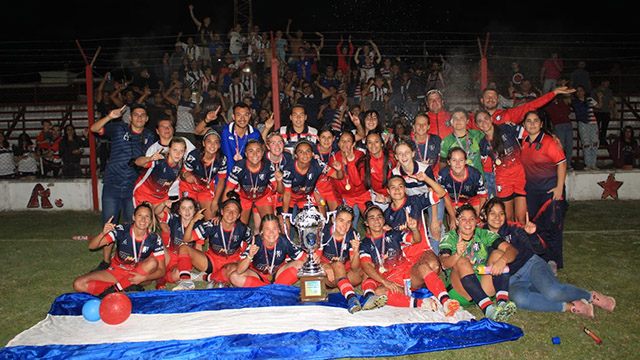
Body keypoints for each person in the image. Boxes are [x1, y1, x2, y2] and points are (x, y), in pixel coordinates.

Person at [482, 198, 615, 317]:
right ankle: (572, 306)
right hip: (511, 279)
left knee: (553, 292)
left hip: (530, 265)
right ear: (485, 215)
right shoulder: (480, 235)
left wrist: (532, 235)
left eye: (501, 213)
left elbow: (540, 250)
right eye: (493, 213)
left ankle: (590, 296)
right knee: (520, 300)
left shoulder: (513, 228)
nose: (497, 217)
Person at [90, 104, 157, 271]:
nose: (139, 118)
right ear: (130, 117)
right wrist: (109, 117)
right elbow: (94, 128)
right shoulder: (118, 128)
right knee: (109, 223)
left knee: (132, 224)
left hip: (132, 187)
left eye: (143, 115)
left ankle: (131, 259)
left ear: (147, 119)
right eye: (136, 115)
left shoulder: (149, 136)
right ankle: (106, 261)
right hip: (112, 184)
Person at [359, 204, 459, 315]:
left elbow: (416, 239)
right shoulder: (365, 244)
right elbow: (366, 266)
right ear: (366, 223)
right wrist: (385, 282)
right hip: (390, 282)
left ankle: (446, 302)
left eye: (379, 217)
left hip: (408, 277)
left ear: (384, 220)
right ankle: (422, 303)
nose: (376, 221)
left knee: (423, 267)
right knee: (379, 292)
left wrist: (415, 229)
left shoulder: (393, 234)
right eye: (372, 218)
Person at [439, 204, 518, 321]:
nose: (468, 223)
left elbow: (512, 250)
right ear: (456, 222)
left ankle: (502, 303)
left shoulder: (484, 234)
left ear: (476, 221)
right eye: (463, 219)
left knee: (498, 254)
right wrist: (457, 255)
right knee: (462, 261)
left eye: (471, 219)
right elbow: (444, 264)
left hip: (484, 287)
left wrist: (503, 260)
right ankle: (487, 309)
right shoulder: (449, 237)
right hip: (461, 290)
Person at [72, 203, 165, 298]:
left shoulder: (154, 238)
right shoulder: (122, 230)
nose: (143, 220)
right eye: (140, 215)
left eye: (147, 216)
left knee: (152, 262)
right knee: (78, 284)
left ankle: (114, 289)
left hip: (138, 272)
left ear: (150, 220)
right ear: (133, 217)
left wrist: (144, 277)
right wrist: (103, 233)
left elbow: (161, 270)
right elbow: (92, 246)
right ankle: (125, 285)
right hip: (117, 270)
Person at [520, 111, 567, 274]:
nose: (532, 124)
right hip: (532, 192)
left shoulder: (549, 142)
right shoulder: (524, 140)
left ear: (541, 124)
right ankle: (540, 259)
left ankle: (553, 261)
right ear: (524, 125)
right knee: (535, 226)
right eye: (528, 121)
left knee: (553, 227)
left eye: (536, 121)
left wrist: (559, 187)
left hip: (551, 192)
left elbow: (562, 163)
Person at [174, 193, 253, 290]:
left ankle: (205, 277)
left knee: (235, 270)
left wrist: (241, 261)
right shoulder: (212, 224)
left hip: (231, 263)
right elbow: (186, 239)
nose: (231, 214)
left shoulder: (244, 230)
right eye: (228, 210)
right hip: (211, 261)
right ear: (222, 212)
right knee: (183, 248)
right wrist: (193, 221)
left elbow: (249, 249)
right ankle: (186, 281)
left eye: (235, 211)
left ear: (238, 215)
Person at [474, 110, 527, 224]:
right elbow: (485, 165)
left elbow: (530, 133)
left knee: (521, 219)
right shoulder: (483, 144)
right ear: (478, 126)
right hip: (503, 179)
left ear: (491, 119)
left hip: (519, 175)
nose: (484, 122)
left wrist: (550, 135)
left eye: (486, 118)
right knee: (508, 219)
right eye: (480, 121)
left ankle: (522, 241)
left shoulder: (507, 128)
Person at [228, 214, 305, 287]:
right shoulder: (256, 242)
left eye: (274, 228)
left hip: (278, 273)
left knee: (301, 265)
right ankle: (269, 288)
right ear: (261, 231)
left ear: (279, 230)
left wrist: (314, 257)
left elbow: (302, 257)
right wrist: (250, 256)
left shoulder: (284, 240)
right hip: (258, 275)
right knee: (234, 276)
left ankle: (273, 288)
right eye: (267, 229)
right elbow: (239, 270)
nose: (271, 233)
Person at [319, 205, 367, 313]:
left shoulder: (353, 234)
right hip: (328, 275)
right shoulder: (323, 232)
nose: (344, 226)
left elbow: (354, 268)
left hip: (344, 273)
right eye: (341, 220)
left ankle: (368, 294)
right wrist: (325, 265)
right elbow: (314, 258)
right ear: (333, 219)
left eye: (348, 222)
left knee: (366, 268)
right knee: (338, 265)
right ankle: (351, 297)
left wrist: (356, 252)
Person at [224, 138, 281, 229]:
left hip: (263, 196)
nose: (255, 154)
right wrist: (223, 212)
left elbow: (280, 190)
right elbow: (228, 190)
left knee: (270, 223)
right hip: (244, 197)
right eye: (251, 151)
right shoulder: (239, 166)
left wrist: (279, 180)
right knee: (240, 227)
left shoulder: (268, 165)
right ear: (246, 154)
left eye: (258, 151)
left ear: (262, 153)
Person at [153, 197, 204, 289]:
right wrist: (163, 203)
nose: (187, 211)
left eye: (190, 208)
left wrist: (198, 264)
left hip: (185, 258)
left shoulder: (199, 225)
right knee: (157, 242)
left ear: (195, 210)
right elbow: (157, 212)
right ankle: (163, 275)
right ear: (179, 211)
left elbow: (199, 248)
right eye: (183, 208)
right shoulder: (174, 219)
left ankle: (162, 278)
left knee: (177, 274)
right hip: (170, 254)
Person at [182, 129, 227, 220]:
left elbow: (221, 181)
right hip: (190, 187)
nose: (212, 145)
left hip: (206, 188)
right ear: (203, 143)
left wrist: (215, 201)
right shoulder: (194, 155)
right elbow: (182, 174)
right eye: (209, 141)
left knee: (211, 220)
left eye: (216, 142)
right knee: (188, 217)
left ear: (219, 145)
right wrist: (186, 175)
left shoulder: (221, 159)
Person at [438, 147, 488, 229]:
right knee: (454, 225)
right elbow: (446, 197)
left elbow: (483, 196)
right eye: (454, 160)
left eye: (461, 160)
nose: (457, 164)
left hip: (473, 199)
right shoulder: (443, 175)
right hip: (454, 200)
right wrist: (453, 217)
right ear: (448, 162)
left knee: (476, 224)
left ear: (466, 161)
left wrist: (477, 215)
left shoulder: (475, 174)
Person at [439, 108, 492, 180]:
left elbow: (491, 133)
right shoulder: (446, 141)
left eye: (462, 118)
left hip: (478, 180)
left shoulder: (477, 135)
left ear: (467, 121)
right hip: (457, 180)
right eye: (455, 118)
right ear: (451, 122)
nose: (458, 120)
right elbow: (442, 163)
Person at [132, 137, 186, 208]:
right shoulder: (160, 160)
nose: (178, 154)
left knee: (166, 217)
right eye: (175, 150)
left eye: (181, 151)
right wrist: (150, 159)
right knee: (145, 217)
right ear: (169, 149)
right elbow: (137, 162)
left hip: (161, 197)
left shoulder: (180, 164)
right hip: (144, 194)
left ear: (184, 152)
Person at [333, 131, 371, 228]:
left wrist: (351, 163)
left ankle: (372, 240)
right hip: (346, 195)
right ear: (338, 143)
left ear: (354, 144)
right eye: (342, 141)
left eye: (348, 141)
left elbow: (357, 182)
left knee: (369, 218)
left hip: (362, 193)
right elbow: (334, 184)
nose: (345, 143)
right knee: (346, 223)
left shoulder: (360, 155)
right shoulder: (334, 158)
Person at [356, 131, 395, 211]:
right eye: (370, 142)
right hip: (377, 196)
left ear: (382, 144)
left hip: (395, 194)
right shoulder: (364, 162)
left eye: (376, 142)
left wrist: (389, 198)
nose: (373, 145)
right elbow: (362, 184)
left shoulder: (392, 159)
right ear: (366, 146)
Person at [571, 85, 601, 170]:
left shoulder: (589, 99)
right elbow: (567, 100)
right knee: (586, 144)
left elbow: (599, 106)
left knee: (595, 143)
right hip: (583, 124)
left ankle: (593, 163)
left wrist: (600, 98)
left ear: (584, 92)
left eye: (581, 90)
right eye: (578, 91)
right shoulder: (575, 102)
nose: (579, 92)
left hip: (593, 124)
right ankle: (588, 164)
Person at [543, 90, 574, 170]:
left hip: (567, 125)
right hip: (558, 126)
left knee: (569, 145)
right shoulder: (549, 105)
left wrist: (566, 103)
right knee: (561, 146)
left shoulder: (562, 102)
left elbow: (568, 112)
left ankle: (568, 164)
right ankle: (561, 164)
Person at [592, 79, 616, 145]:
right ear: (602, 82)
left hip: (606, 111)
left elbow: (611, 102)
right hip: (597, 111)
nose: (608, 84)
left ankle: (602, 139)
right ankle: (596, 139)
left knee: (604, 127)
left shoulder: (609, 91)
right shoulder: (595, 91)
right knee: (596, 127)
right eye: (606, 82)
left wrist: (613, 111)